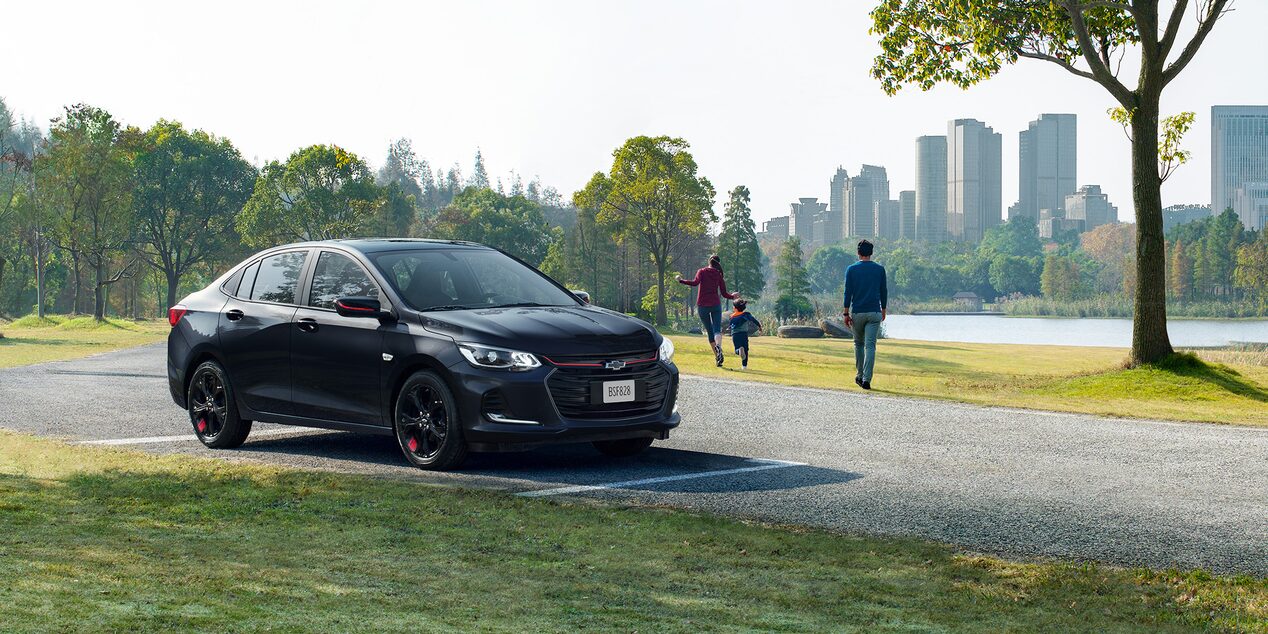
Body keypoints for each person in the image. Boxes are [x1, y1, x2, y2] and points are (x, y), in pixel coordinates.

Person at [678, 254, 739, 367]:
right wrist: (733, 296)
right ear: (718, 264)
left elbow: (695, 283)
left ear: (709, 262)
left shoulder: (701, 271)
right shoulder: (718, 274)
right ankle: (719, 348)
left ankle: (717, 356)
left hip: (702, 306)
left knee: (710, 332)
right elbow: (725, 294)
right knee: (717, 329)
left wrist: (681, 280)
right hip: (715, 304)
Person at [842, 239, 886, 390]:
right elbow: (883, 291)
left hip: (858, 312)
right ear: (871, 253)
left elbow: (848, 293)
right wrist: (884, 309)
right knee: (870, 346)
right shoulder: (880, 269)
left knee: (858, 344)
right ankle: (867, 378)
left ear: (858, 252)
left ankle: (860, 375)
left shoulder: (851, 270)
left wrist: (846, 313)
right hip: (874, 312)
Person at [727, 299, 762, 370]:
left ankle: (739, 350)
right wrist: (759, 326)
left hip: (735, 335)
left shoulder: (732, 316)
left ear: (735, 308)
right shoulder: (746, 315)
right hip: (744, 335)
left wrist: (727, 329)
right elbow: (753, 320)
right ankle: (744, 366)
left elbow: (731, 326)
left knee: (737, 349)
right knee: (745, 350)